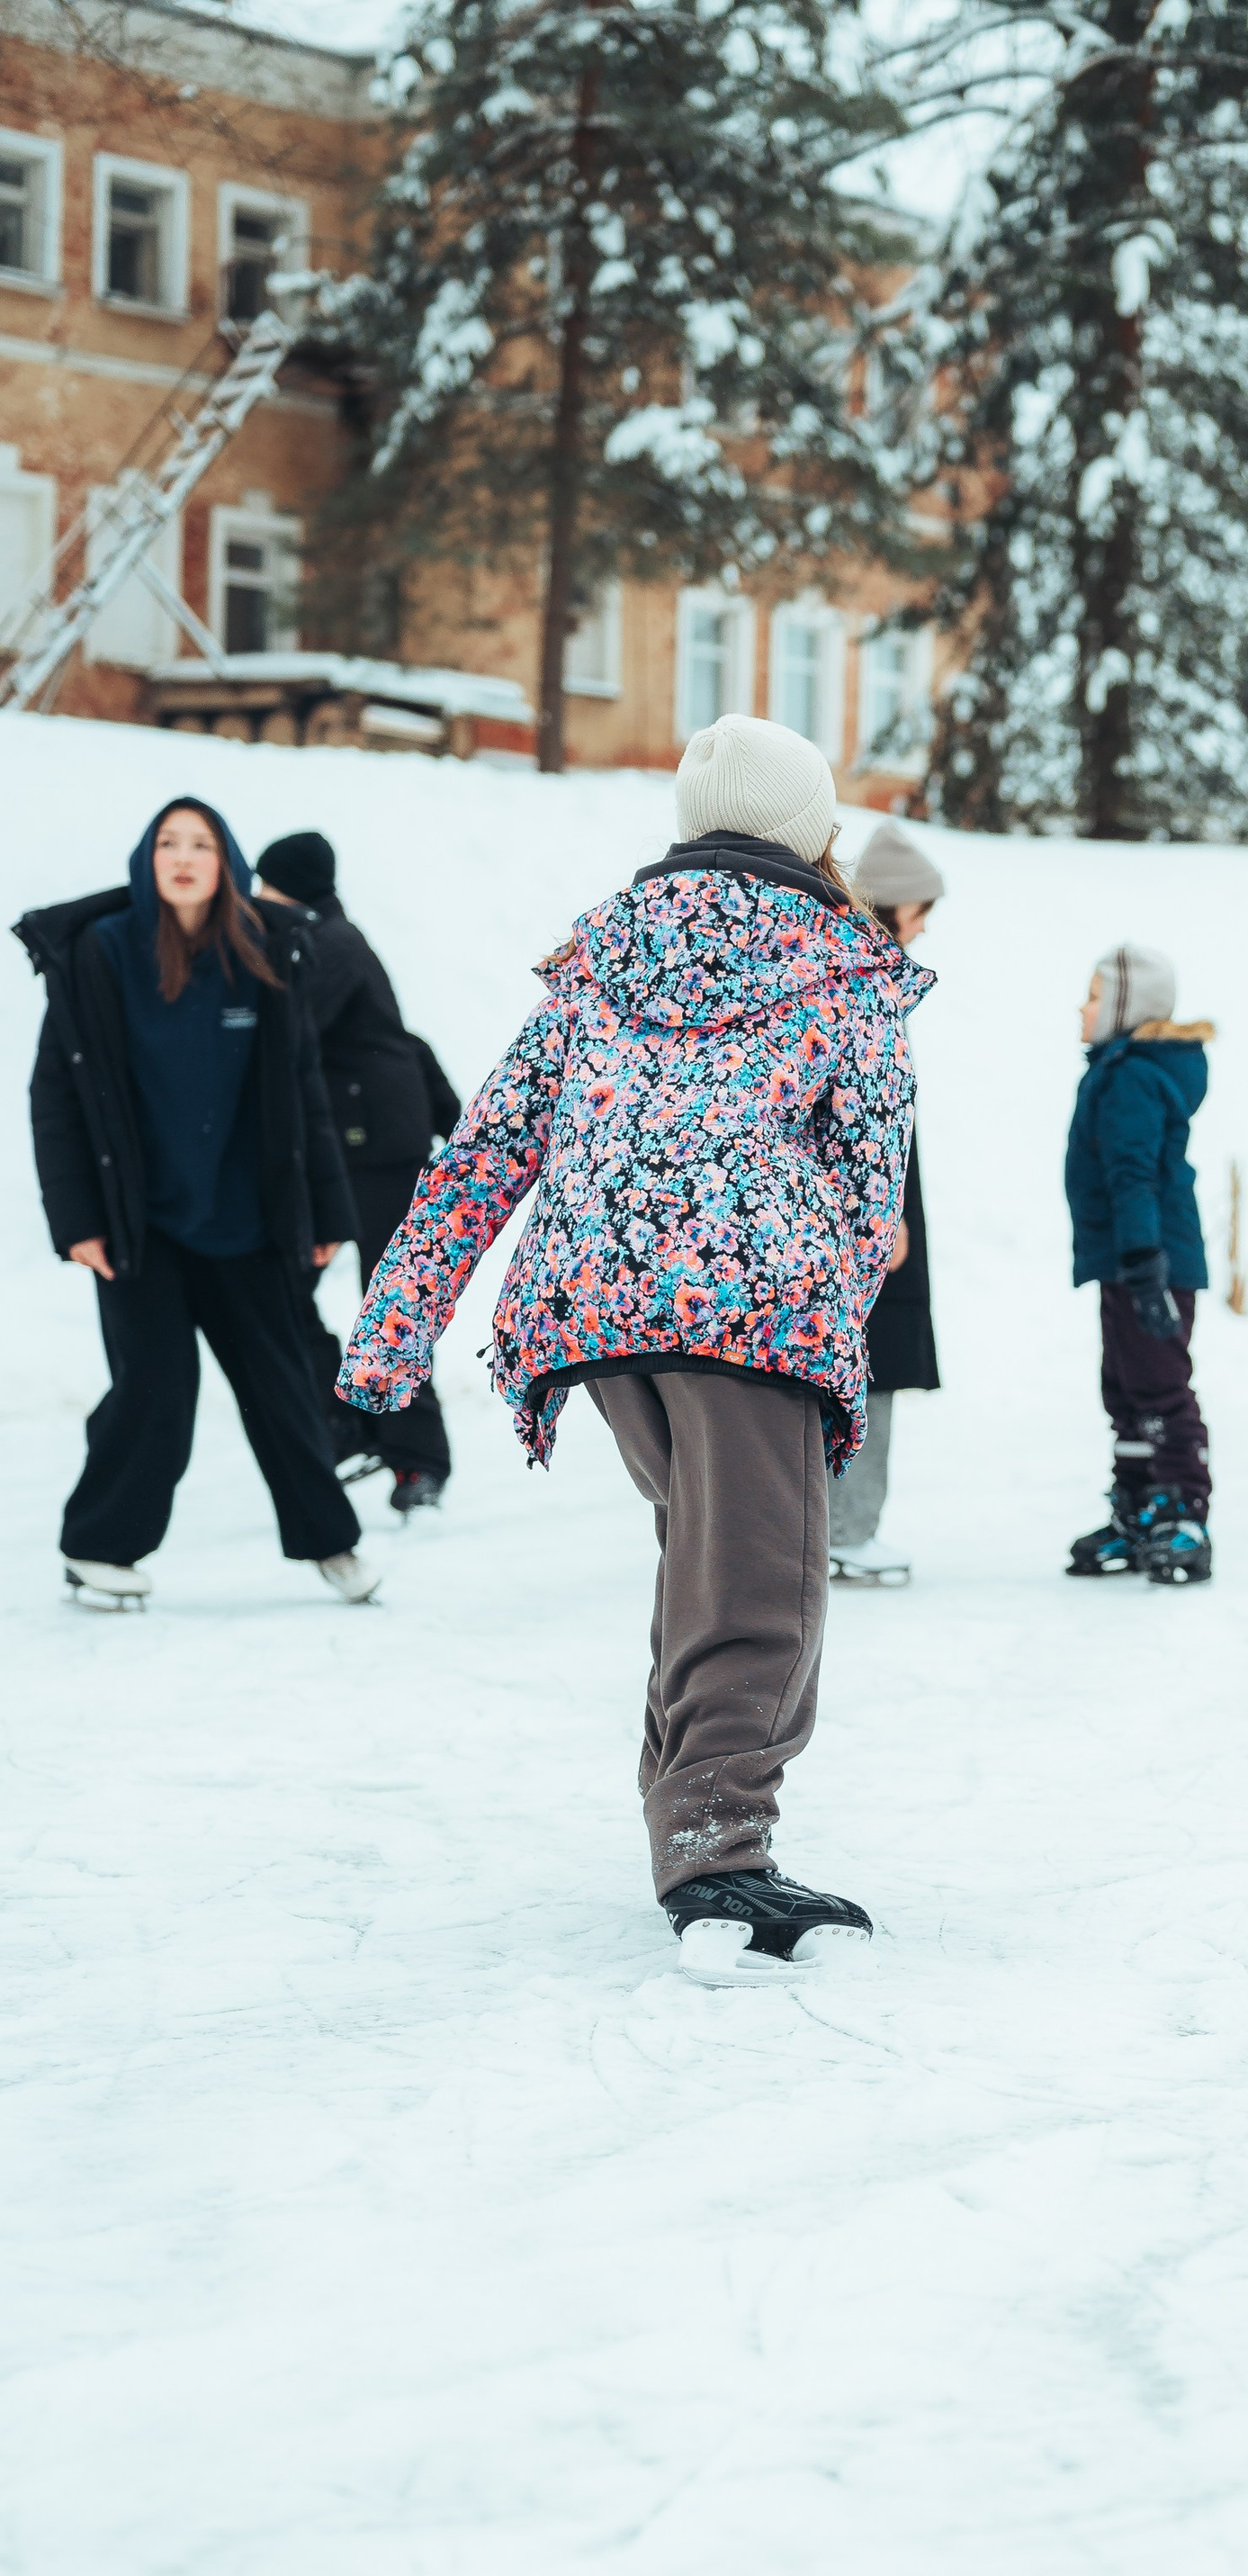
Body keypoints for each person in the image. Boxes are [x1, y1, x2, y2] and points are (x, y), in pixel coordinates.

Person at [336, 716, 924, 1977]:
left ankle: (692, 1817)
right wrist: (851, 1254)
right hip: (755, 1310)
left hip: (598, 1318)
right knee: (766, 1584)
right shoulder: (843, 964)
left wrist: (397, 1328)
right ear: (803, 826)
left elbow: (486, 1149)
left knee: (704, 1565)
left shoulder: (601, 956)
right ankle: (717, 1850)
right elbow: (878, 1187)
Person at [20, 797, 379, 1611]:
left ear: (228, 864)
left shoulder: (264, 951)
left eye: (202, 844)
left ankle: (332, 1543)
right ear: (147, 858)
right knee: (154, 1386)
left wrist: (325, 1215)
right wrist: (76, 1223)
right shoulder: (99, 955)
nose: (183, 857)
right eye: (168, 843)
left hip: (243, 1221)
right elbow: (57, 1098)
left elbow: (300, 1096)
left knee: (281, 1386)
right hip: (138, 1227)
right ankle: (99, 1550)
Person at [255, 830, 462, 1517]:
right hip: (339, 1142)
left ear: (289, 885)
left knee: (388, 1298)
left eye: (264, 884)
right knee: (279, 1286)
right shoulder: (317, 938)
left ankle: (417, 1457)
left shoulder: (330, 944)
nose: (255, 897)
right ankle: (349, 1421)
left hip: (378, 1141)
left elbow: (289, 1032)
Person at [1064, 940, 1216, 1587]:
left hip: (1148, 1260)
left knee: (1158, 1387)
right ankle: (1137, 1506)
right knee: (1124, 1390)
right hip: (1129, 1259)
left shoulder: (1130, 1074)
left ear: (1124, 1006)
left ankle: (1184, 1509)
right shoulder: (1120, 1067)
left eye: (1095, 996)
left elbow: (1134, 1174)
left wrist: (1144, 1260)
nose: (1083, 1007)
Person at [831, 818, 947, 1586]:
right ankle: (845, 1527)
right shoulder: (867, 978)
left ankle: (837, 1524)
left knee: (860, 1361)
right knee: (870, 1363)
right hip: (871, 1205)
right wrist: (887, 1209)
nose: (929, 923)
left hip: (868, 1196)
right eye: (922, 908)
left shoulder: (856, 969)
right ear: (894, 907)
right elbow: (869, 1106)